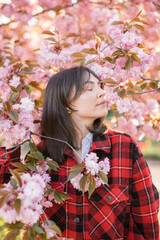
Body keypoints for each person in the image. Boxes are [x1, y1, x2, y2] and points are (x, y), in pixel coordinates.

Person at [38, 66, 159, 240]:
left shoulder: (124, 146)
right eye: (89, 88)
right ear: (65, 104)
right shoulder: (39, 156)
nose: (102, 93)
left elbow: (146, 219)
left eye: (100, 86)